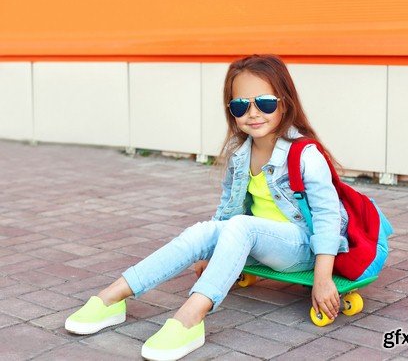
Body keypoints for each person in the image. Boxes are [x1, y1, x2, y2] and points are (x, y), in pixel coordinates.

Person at [65, 54, 350, 360]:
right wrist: (210, 248)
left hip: (303, 248)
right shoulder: (241, 154)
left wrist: (322, 279)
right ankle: (112, 298)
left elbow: (327, 216)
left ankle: (190, 319)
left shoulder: (306, 154)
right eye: (241, 105)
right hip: (260, 240)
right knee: (204, 230)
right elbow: (228, 208)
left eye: (264, 102)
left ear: (285, 102)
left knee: (242, 226)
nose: (253, 113)